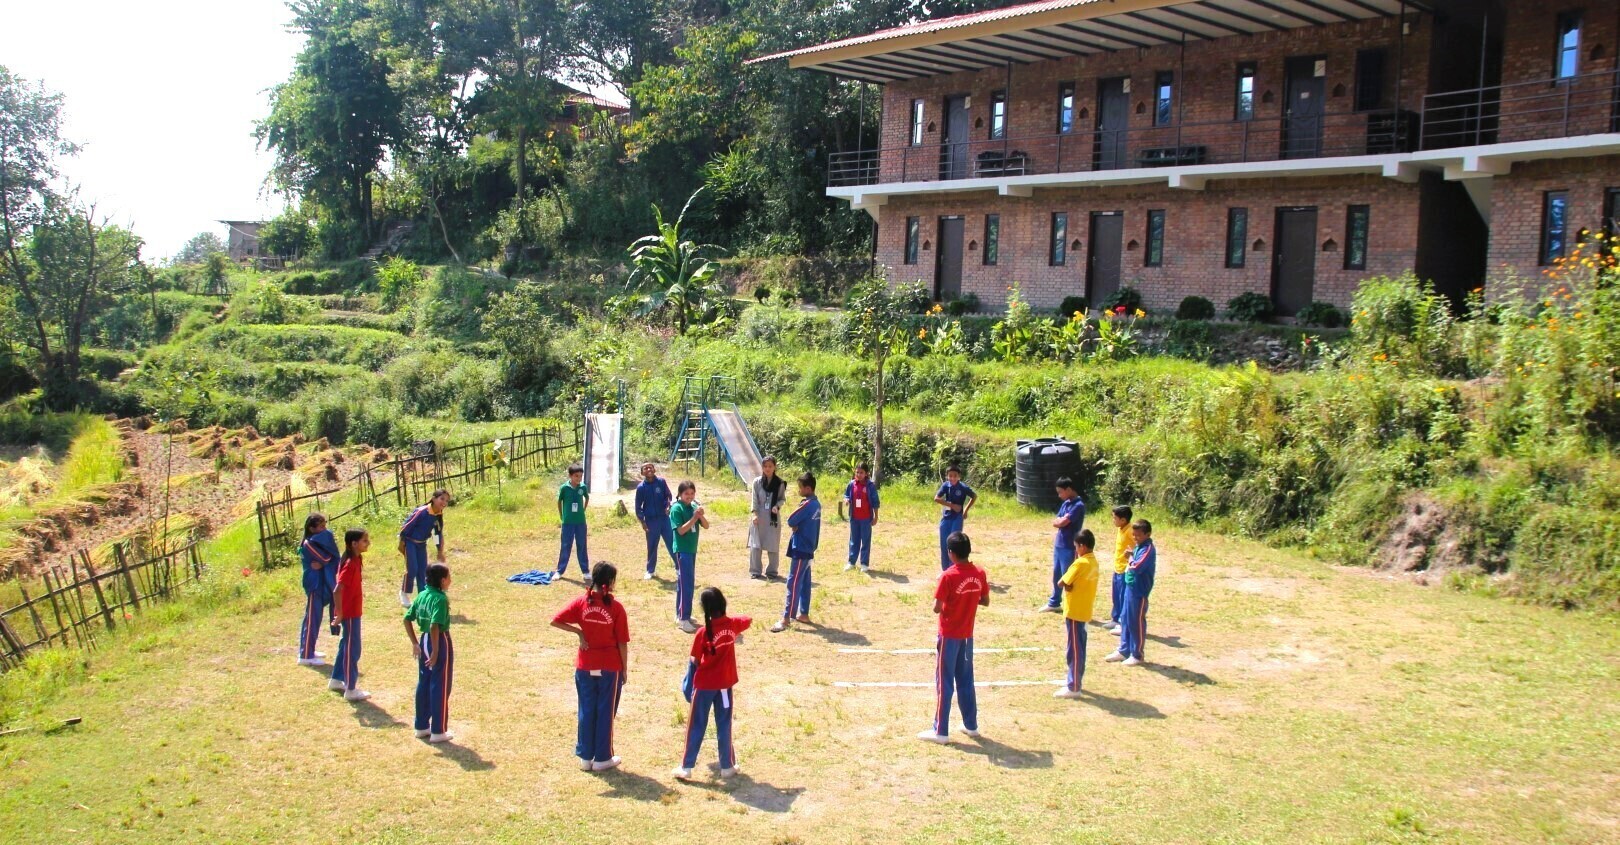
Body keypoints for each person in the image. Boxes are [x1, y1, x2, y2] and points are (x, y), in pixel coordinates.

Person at [551, 562, 631, 772]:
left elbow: (556, 620)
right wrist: (624, 668)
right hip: (609, 667)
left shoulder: (581, 603)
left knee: (586, 709)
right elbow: (622, 642)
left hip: (585, 666)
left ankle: (585, 757)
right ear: (610, 582)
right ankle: (603, 757)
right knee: (605, 711)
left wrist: (579, 632)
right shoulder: (616, 608)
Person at [918, 531, 989, 744]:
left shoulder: (948, 576)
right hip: (967, 635)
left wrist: (954, 599)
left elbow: (936, 607)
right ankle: (971, 724)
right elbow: (985, 600)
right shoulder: (979, 573)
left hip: (949, 635)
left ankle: (940, 730)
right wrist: (967, 599)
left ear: (950, 553)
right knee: (966, 680)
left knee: (945, 681)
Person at [674, 587, 751, 781]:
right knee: (724, 723)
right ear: (723, 604)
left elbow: (695, 659)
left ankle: (687, 766)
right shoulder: (732, 625)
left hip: (704, 686)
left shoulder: (702, 633)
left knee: (696, 724)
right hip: (725, 684)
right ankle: (727, 765)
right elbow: (748, 619)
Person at [405, 562, 455, 743]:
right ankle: (438, 730)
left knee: (424, 682)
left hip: (423, 639)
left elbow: (407, 618)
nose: (451, 581)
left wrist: (414, 643)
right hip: (439, 641)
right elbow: (435, 625)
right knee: (440, 684)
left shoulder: (422, 595)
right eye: (449, 577)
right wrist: (435, 651)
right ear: (442, 580)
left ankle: (421, 726)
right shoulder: (440, 599)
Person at [773, 473, 821, 633]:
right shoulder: (817, 504)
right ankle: (804, 614)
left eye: (800, 487)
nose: (798, 490)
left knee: (793, 583)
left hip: (801, 549)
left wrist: (796, 526)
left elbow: (791, 520)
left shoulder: (808, 505)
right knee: (805, 582)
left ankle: (786, 618)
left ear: (808, 488)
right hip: (809, 549)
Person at [1054, 529, 1100, 700]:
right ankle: (1075, 680)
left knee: (1074, 650)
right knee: (1080, 648)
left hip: (1075, 611)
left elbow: (1062, 582)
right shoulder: (1094, 562)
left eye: (1076, 547)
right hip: (1085, 610)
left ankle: (1074, 687)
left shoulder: (1080, 563)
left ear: (1082, 546)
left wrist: (1067, 585)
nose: (1075, 550)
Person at [328, 528, 371, 701]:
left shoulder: (356, 559)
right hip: (350, 613)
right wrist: (339, 613)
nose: (368, 543)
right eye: (365, 541)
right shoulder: (349, 564)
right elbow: (337, 590)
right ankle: (351, 688)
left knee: (346, 644)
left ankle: (336, 679)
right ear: (354, 544)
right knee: (353, 649)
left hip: (352, 611)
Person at [1107, 519, 1157, 667]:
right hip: (1129, 587)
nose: (1135, 538)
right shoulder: (1138, 546)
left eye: (1138, 536)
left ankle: (1137, 654)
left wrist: (1131, 557)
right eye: (1134, 535)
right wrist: (1132, 553)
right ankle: (1124, 650)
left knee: (1136, 621)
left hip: (1139, 591)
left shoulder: (1148, 549)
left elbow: (1137, 566)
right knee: (1125, 619)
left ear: (1147, 534)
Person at [297, 513, 339, 666]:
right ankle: (306, 655)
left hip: (320, 583)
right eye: (321, 527)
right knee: (312, 618)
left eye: (325, 525)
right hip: (314, 584)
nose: (325, 530)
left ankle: (309, 649)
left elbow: (325, 559)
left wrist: (324, 563)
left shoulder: (318, 542)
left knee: (314, 617)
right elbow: (327, 558)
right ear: (311, 528)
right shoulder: (309, 544)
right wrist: (325, 562)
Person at [669, 481, 709, 634]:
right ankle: (683, 619)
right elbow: (680, 531)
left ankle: (681, 614)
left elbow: (706, 526)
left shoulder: (693, 507)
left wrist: (701, 516)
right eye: (686, 494)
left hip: (692, 550)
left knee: (684, 583)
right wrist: (693, 518)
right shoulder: (676, 509)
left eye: (692, 493)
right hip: (682, 551)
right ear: (680, 494)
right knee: (687, 584)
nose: (689, 497)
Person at [1041, 478, 1086, 613]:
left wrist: (1061, 521)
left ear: (1068, 489)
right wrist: (1060, 520)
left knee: (1069, 576)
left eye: (1061, 492)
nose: (1059, 495)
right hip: (1059, 544)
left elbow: (1062, 523)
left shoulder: (1078, 506)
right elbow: (1056, 520)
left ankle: (1072, 603)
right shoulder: (1066, 503)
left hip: (1070, 546)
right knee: (1057, 574)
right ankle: (1054, 602)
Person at [399, 489, 448, 608]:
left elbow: (437, 534)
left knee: (423, 572)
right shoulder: (422, 511)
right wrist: (402, 542)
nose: (444, 502)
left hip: (421, 545)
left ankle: (423, 598)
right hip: (410, 542)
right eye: (442, 499)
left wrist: (439, 550)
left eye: (446, 501)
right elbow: (407, 526)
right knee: (412, 569)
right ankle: (404, 592)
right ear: (434, 498)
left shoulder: (438, 515)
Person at [747, 457, 787, 581]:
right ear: (762, 467)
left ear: (774, 467)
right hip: (758, 517)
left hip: (772, 519)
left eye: (770, 466)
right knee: (755, 545)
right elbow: (754, 500)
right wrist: (754, 514)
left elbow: (782, 499)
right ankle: (755, 571)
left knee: (773, 545)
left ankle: (772, 572)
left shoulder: (779, 483)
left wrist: (777, 506)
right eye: (765, 466)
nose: (767, 469)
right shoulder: (757, 482)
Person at [634, 462, 675, 580]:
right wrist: (643, 522)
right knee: (652, 546)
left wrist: (667, 506)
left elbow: (668, 496)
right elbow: (638, 506)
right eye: (645, 468)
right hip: (651, 521)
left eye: (650, 467)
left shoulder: (661, 482)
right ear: (642, 472)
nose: (648, 469)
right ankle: (650, 570)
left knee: (672, 543)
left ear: (654, 469)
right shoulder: (641, 488)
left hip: (664, 519)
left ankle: (679, 568)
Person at [933, 466, 977, 571]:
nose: (952, 478)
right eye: (950, 476)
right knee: (944, 545)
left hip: (957, 518)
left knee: (954, 544)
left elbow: (974, 496)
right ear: (947, 476)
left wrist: (965, 510)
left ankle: (954, 569)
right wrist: (951, 505)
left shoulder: (963, 487)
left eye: (955, 476)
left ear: (959, 477)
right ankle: (945, 571)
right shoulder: (945, 486)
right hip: (946, 518)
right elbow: (936, 498)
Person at [840, 463, 879, 573]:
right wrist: (846, 500)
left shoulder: (870, 486)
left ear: (866, 473)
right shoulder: (852, 484)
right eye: (857, 472)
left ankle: (864, 563)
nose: (859, 474)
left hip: (866, 519)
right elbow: (846, 495)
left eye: (861, 472)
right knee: (854, 540)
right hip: (854, 518)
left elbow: (875, 502)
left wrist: (876, 516)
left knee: (865, 541)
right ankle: (851, 562)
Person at [557, 464, 590, 580]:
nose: (579, 479)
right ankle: (560, 571)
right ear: (570, 476)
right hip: (567, 522)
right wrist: (562, 516)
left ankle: (585, 571)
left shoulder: (583, 487)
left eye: (580, 476)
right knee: (566, 545)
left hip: (580, 522)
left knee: (582, 545)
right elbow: (559, 502)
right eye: (576, 476)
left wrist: (583, 510)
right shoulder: (564, 488)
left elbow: (587, 498)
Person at [1107, 506, 1133, 634]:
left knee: (1124, 597)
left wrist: (1131, 555)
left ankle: (1124, 624)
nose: (1113, 520)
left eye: (1115, 518)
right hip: (1117, 567)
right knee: (1116, 596)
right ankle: (1115, 619)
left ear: (1123, 520)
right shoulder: (1120, 529)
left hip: (1125, 569)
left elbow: (1139, 546)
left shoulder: (1130, 531)